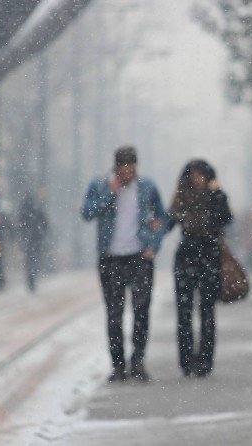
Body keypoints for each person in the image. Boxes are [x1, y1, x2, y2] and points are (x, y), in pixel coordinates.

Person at [81, 146, 167, 382]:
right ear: (116, 168)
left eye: (132, 170)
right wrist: (111, 193)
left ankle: (137, 361)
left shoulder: (147, 187)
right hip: (110, 258)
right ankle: (118, 366)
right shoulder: (100, 185)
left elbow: (162, 216)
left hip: (140, 257)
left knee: (141, 310)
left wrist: (154, 245)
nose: (128, 175)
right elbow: (87, 213)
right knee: (114, 313)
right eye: (123, 170)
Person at [167, 160, 232, 377]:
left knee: (207, 311)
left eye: (202, 176)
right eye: (194, 176)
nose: (198, 180)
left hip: (209, 254)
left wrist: (218, 193)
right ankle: (186, 362)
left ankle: (205, 361)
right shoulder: (181, 197)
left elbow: (225, 218)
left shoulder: (215, 197)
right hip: (186, 256)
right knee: (184, 312)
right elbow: (169, 222)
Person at [17, 192, 49, 292]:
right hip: (36, 238)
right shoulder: (37, 208)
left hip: (29, 238)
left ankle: (31, 277)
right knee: (35, 258)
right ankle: (33, 275)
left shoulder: (23, 209)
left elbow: (19, 223)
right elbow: (45, 222)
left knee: (29, 258)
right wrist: (42, 232)